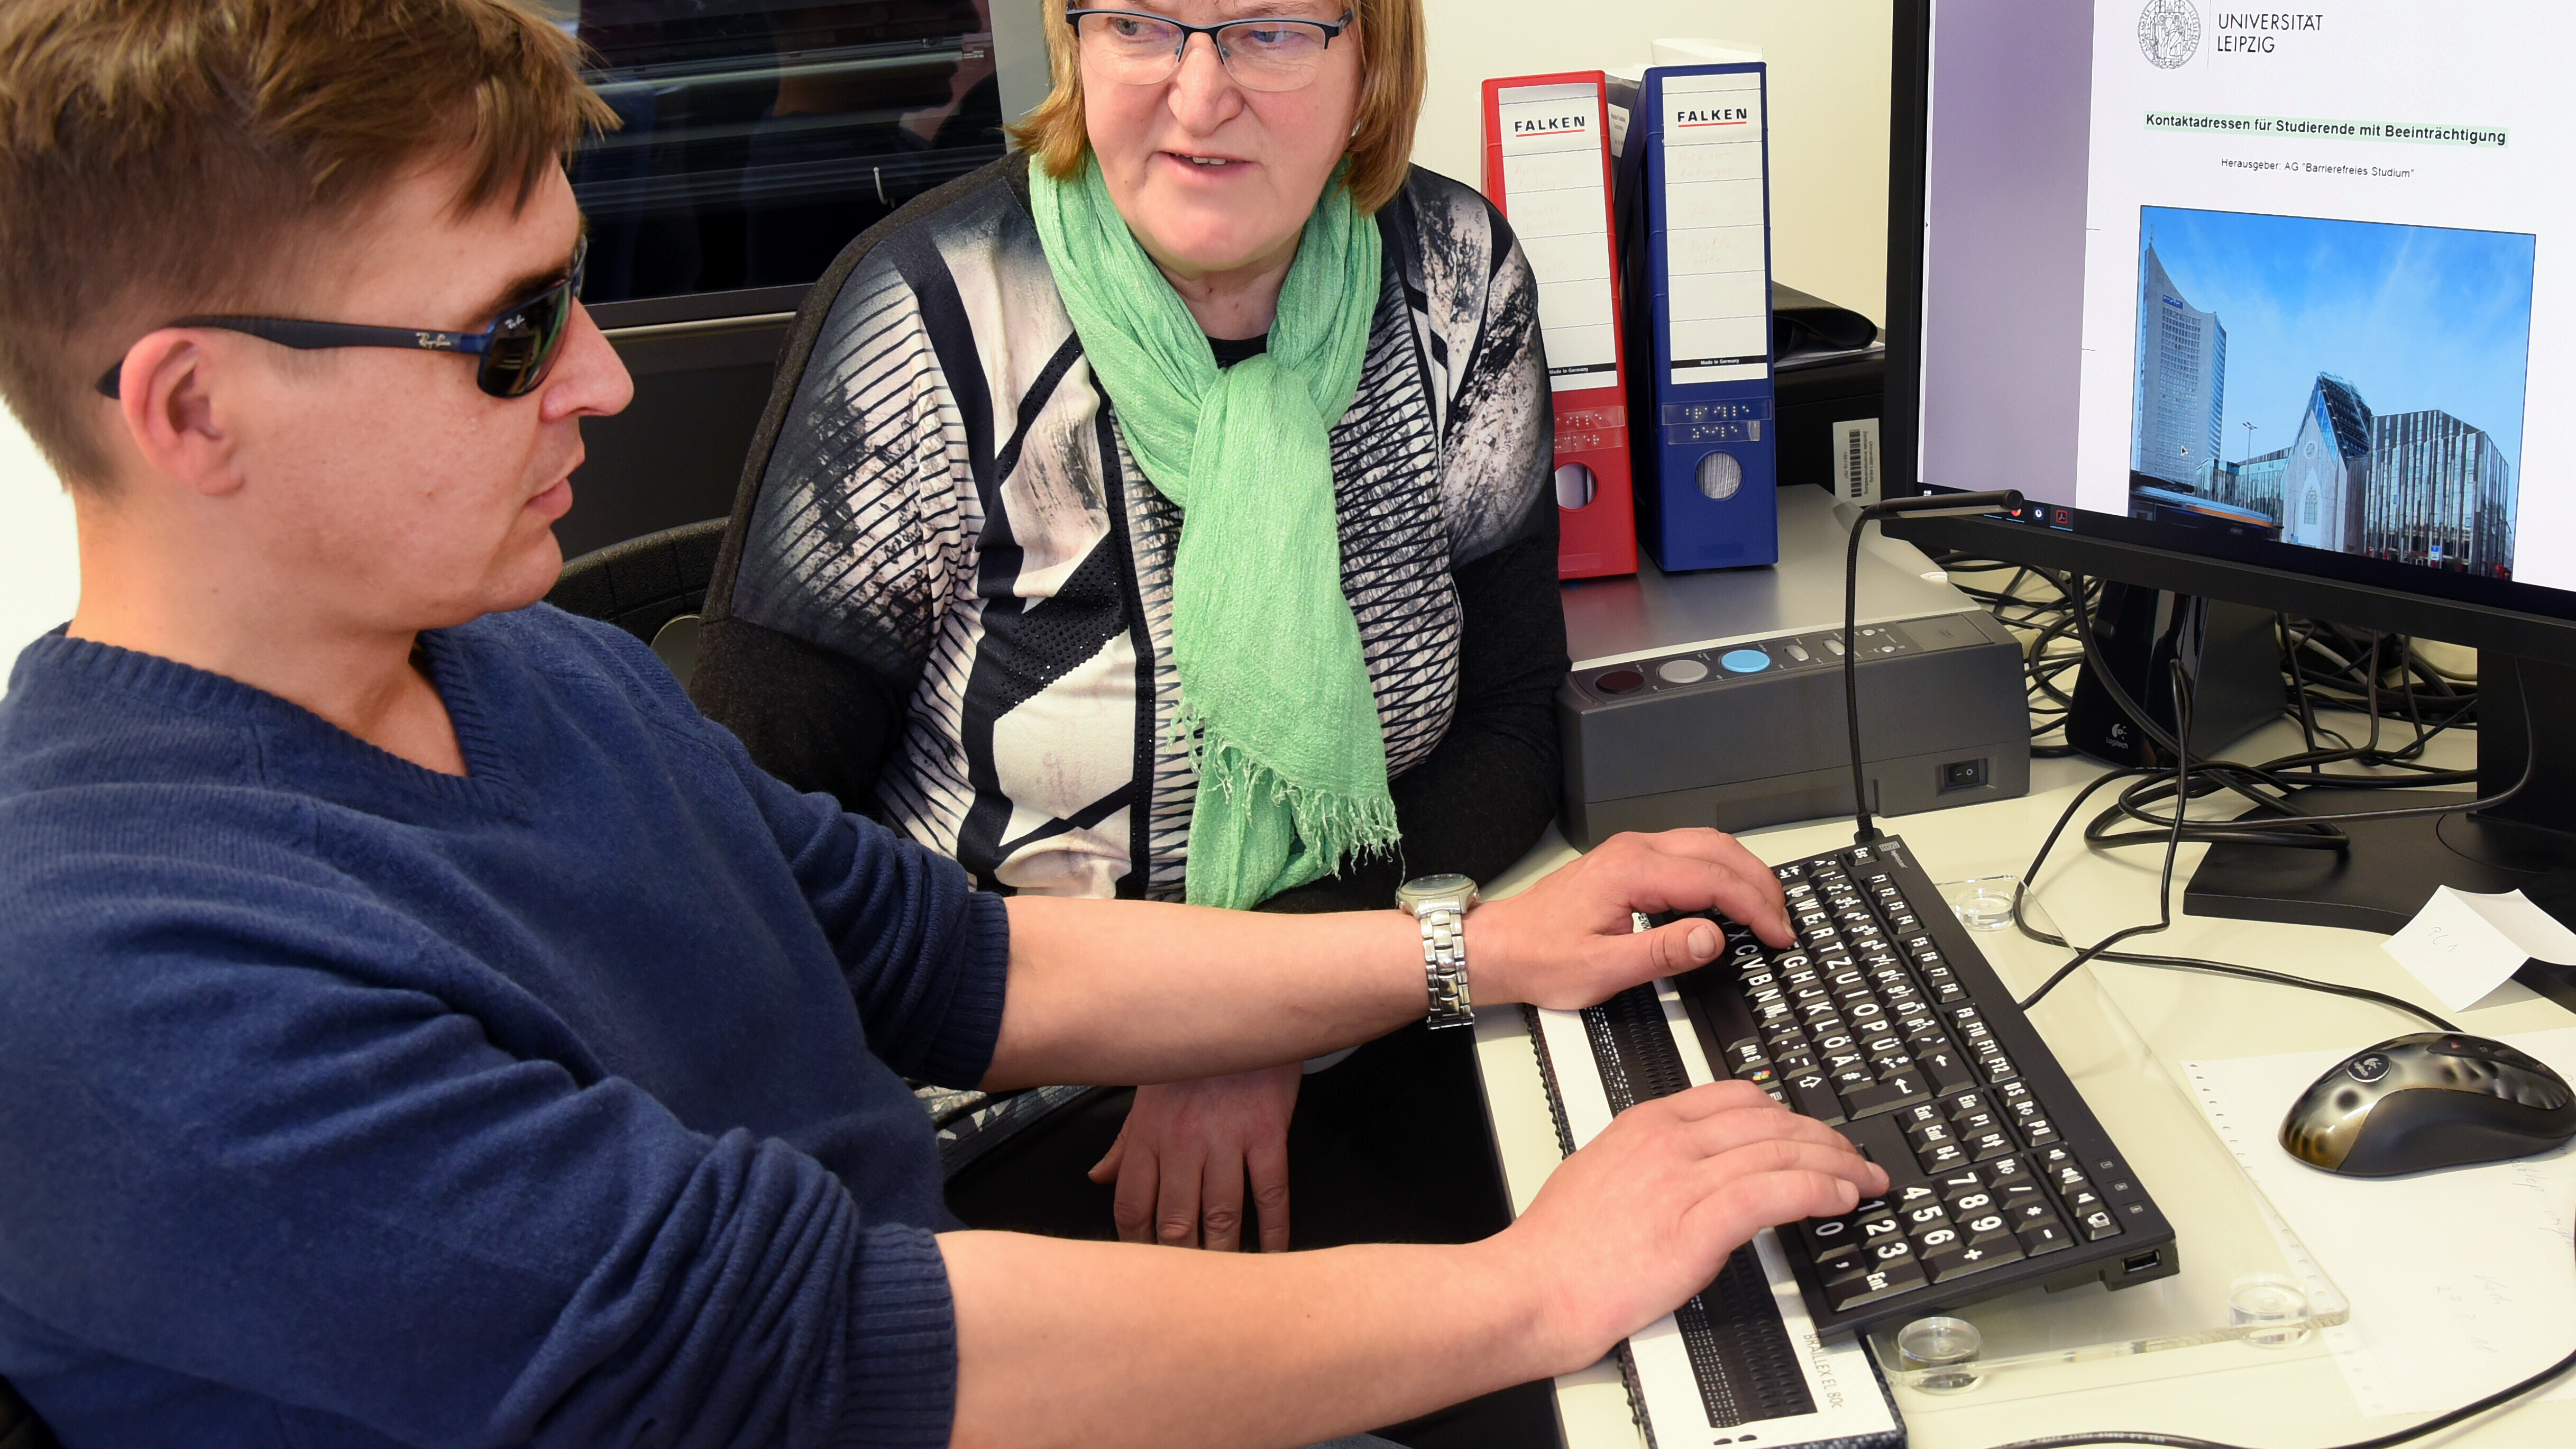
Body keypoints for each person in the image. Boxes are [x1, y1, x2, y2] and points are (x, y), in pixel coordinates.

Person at [0, 3, 1886, 1447]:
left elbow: (962, 958)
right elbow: (839, 1351)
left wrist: (1468, 946)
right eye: (506, 335)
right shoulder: (125, 983)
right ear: (194, 412)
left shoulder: (525, 677)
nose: (599, 376)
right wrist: (1527, 1295)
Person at [690, 0, 1567, 1255]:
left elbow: (1513, 715)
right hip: (999, 1097)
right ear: (1072, 40)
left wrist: (1256, 1010)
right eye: (1145, 24)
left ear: (1369, 50)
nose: (1201, 95)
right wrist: (1182, 1020)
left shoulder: (1453, 274)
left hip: (1362, 1009)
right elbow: (738, 852)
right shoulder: (935, 310)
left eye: (1270, 31)